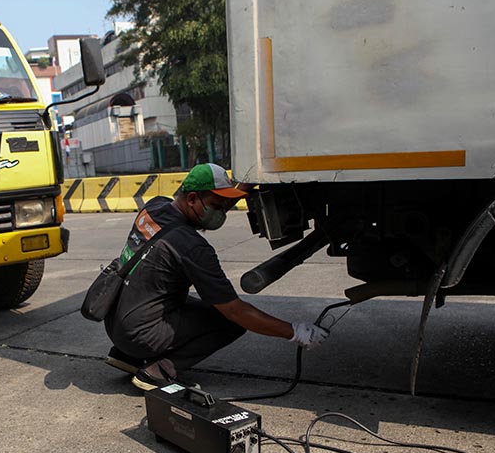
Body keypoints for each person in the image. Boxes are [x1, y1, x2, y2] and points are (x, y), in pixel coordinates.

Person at [104, 163, 329, 390]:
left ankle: (127, 357)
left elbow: (205, 210)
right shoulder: (192, 248)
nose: (221, 213)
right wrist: (295, 332)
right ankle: (159, 371)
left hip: (116, 323)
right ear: (192, 199)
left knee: (174, 298)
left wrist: (246, 187)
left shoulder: (155, 207)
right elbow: (235, 310)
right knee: (230, 322)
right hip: (140, 334)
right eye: (216, 205)